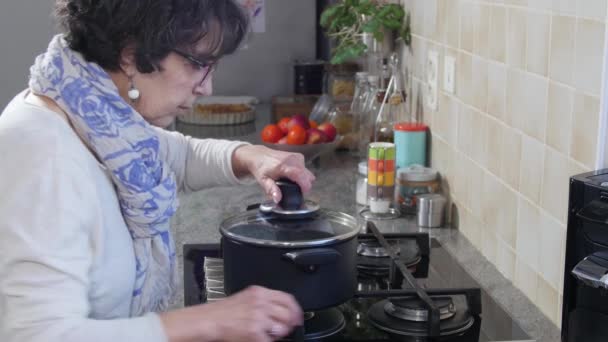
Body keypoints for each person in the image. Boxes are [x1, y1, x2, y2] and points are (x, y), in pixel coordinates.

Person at [0, 1, 315, 341]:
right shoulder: (40, 156)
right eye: (199, 63)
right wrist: (209, 321)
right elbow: (36, 335)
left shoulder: (92, 115)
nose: (206, 88)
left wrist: (250, 155)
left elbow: (175, 155)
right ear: (131, 54)